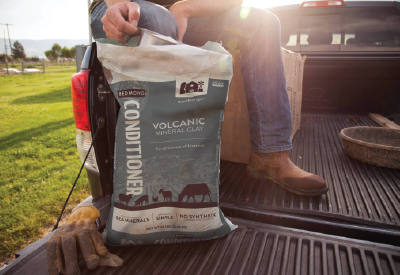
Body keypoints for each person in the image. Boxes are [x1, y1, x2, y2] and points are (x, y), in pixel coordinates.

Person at [47, 1, 329, 274]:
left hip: (191, 15)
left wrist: (186, 7)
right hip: (124, 12)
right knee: (159, 20)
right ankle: (154, 182)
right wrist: (118, 3)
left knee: (264, 21)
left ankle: (269, 155)